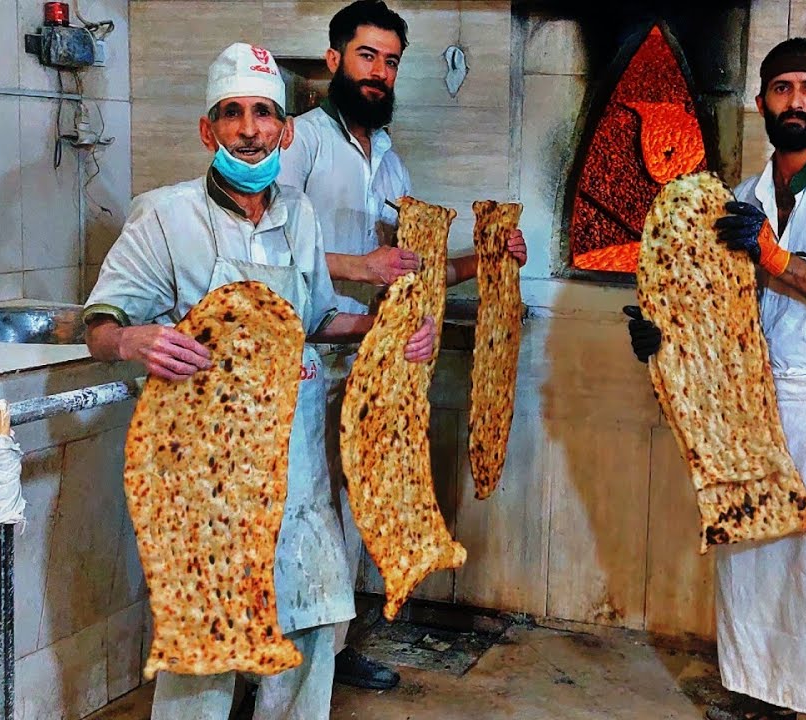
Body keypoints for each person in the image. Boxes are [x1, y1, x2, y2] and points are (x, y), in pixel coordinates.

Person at [82, 42, 436, 720]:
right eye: (233, 113)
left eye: (264, 113)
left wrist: (387, 333)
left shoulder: (299, 217)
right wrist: (132, 338)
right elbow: (99, 322)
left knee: (308, 630)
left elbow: (320, 318)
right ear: (207, 129)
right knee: (205, 648)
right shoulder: (165, 215)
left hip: (296, 466)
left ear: (284, 129)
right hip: (206, 479)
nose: (250, 129)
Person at [626, 38, 806, 720]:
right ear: (762, 103)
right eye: (783, 89)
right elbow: (714, 313)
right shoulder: (738, 199)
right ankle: (759, 699)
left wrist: (775, 258)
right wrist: (665, 341)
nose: (797, 101)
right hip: (742, 405)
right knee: (750, 565)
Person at [277, 0, 528, 690]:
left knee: (361, 505)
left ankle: (336, 646)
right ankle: (284, 668)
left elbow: (415, 268)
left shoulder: (388, 162)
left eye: (390, 61)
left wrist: (487, 259)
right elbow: (263, 249)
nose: (379, 72)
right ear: (334, 60)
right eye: (366, 56)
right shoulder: (297, 143)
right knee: (305, 514)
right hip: (303, 357)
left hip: (373, 358)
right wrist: (358, 267)